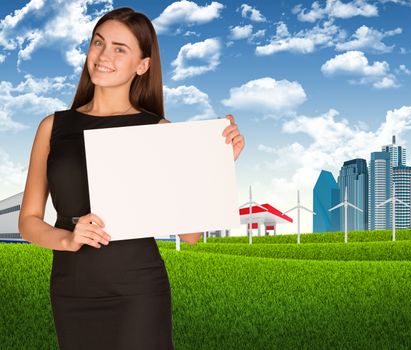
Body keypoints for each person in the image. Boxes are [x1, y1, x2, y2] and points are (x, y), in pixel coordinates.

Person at [18, 7, 244, 350]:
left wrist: (217, 165)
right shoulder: (53, 127)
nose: (104, 55)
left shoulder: (160, 132)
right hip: (71, 288)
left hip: (138, 290)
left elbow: (191, 234)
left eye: (120, 48)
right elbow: (28, 221)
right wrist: (68, 239)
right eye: (98, 43)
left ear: (143, 65)